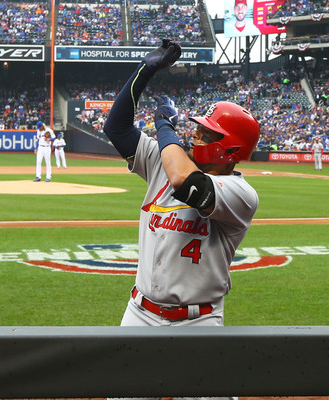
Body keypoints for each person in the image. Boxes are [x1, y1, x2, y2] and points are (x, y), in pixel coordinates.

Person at [104, 39, 260, 400]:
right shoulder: (165, 159)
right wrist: (146, 71)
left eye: (207, 133)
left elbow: (185, 183)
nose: (195, 134)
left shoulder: (240, 194)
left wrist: (165, 129)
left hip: (200, 321)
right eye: (197, 129)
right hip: (140, 313)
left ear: (230, 150)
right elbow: (117, 129)